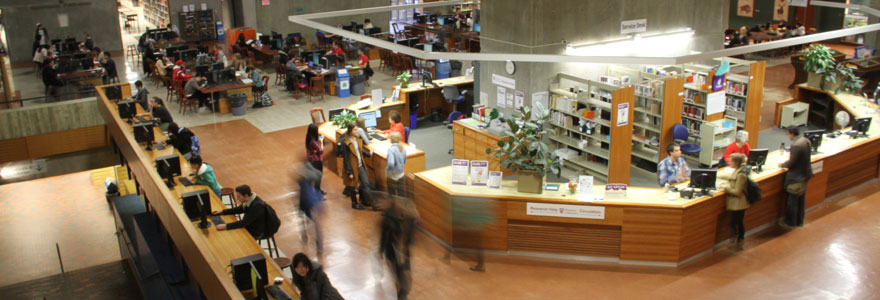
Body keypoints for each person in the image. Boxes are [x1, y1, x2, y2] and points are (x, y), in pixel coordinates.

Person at [378, 192, 418, 300]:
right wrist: (381, 251)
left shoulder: (409, 219)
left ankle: (403, 293)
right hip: (393, 252)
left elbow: (409, 236)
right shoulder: (389, 220)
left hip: (403, 252)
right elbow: (384, 236)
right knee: (400, 275)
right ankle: (402, 295)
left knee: (405, 275)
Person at [778, 126, 813, 228]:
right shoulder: (805, 141)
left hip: (796, 177)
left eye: (787, 134)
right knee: (801, 199)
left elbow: (792, 163)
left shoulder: (796, 145)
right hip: (805, 175)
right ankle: (800, 220)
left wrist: (782, 165)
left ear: (791, 133)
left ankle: (790, 222)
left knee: (792, 201)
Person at [718, 153, 749, 246]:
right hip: (737, 203)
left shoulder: (741, 174)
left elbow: (737, 191)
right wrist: (722, 176)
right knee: (736, 222)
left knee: (737, 222)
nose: (728, 162)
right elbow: (733, 178)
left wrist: (725, 187)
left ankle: (740, 238)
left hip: (739, 203)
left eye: (731, 161)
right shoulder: (738, 170)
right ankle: (737, 238)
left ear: (736, 163)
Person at [295, 163, 324, 254]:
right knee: (314, 223)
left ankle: (305, 237)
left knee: (306, 220)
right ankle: (318, 245)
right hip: (308, 202)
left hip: (304, 202)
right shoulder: (312, 173)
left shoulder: (302, 175)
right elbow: (318, 176)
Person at [341, 123, 372, 210]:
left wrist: (369, 154)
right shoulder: (346, 142)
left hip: (360, 165)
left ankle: (365, 200)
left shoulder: (357, 139)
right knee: (352, 185)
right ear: (350, 131)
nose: (357, 131)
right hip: (352, 167)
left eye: (357, 129)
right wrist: (349, 171)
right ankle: (354, 203)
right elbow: (346, 158)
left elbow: (360, 150)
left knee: (365, 183)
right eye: (355, 130)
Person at [305, 124, 326, 194]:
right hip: (316, 161)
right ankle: (317, 193)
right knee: (318, 177)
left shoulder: (308, 138)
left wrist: (316, 150)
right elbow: (321, 151)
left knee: (314, 177)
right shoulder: (313, 141)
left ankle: (316, 191)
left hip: (311, 160)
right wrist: (321, 141)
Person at [386, 132, 407, 198]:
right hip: (401, 174)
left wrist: (388, 171)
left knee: (392, 194)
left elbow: (391, 163)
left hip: (392, 175)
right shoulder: (403, 148)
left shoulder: (391, 150)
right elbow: (405, 161)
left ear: (391, 140)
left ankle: (394, 207)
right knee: (401, 193)